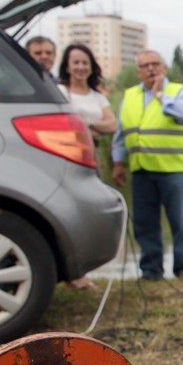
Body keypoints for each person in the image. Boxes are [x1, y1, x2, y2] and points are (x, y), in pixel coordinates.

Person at [111, 50, 183, 281]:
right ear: (138, 71)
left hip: (174, 169)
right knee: (145, 223)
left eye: (155, 64)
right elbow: (121, 133)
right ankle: (151, 270)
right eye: (145, 65)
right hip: (141, 170)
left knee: (180, 221)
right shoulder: (129, 96)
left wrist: (160, 95)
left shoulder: (180, 92)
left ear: (164, 68)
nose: (151, 69)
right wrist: (118, 163)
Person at [57, 43, 117, 290]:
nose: (81, 67)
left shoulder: (98, 96)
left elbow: (112, 126)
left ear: (91, 67)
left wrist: (83, 121)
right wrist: (94, 124)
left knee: (88, 212)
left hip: (93, 157)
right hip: (65, 157)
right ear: (68, 66)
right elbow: (62, 122)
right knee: (65, 211)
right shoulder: (59, 91)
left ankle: (80, 273)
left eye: (85, 63)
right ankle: (67, 273)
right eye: (76, 62)